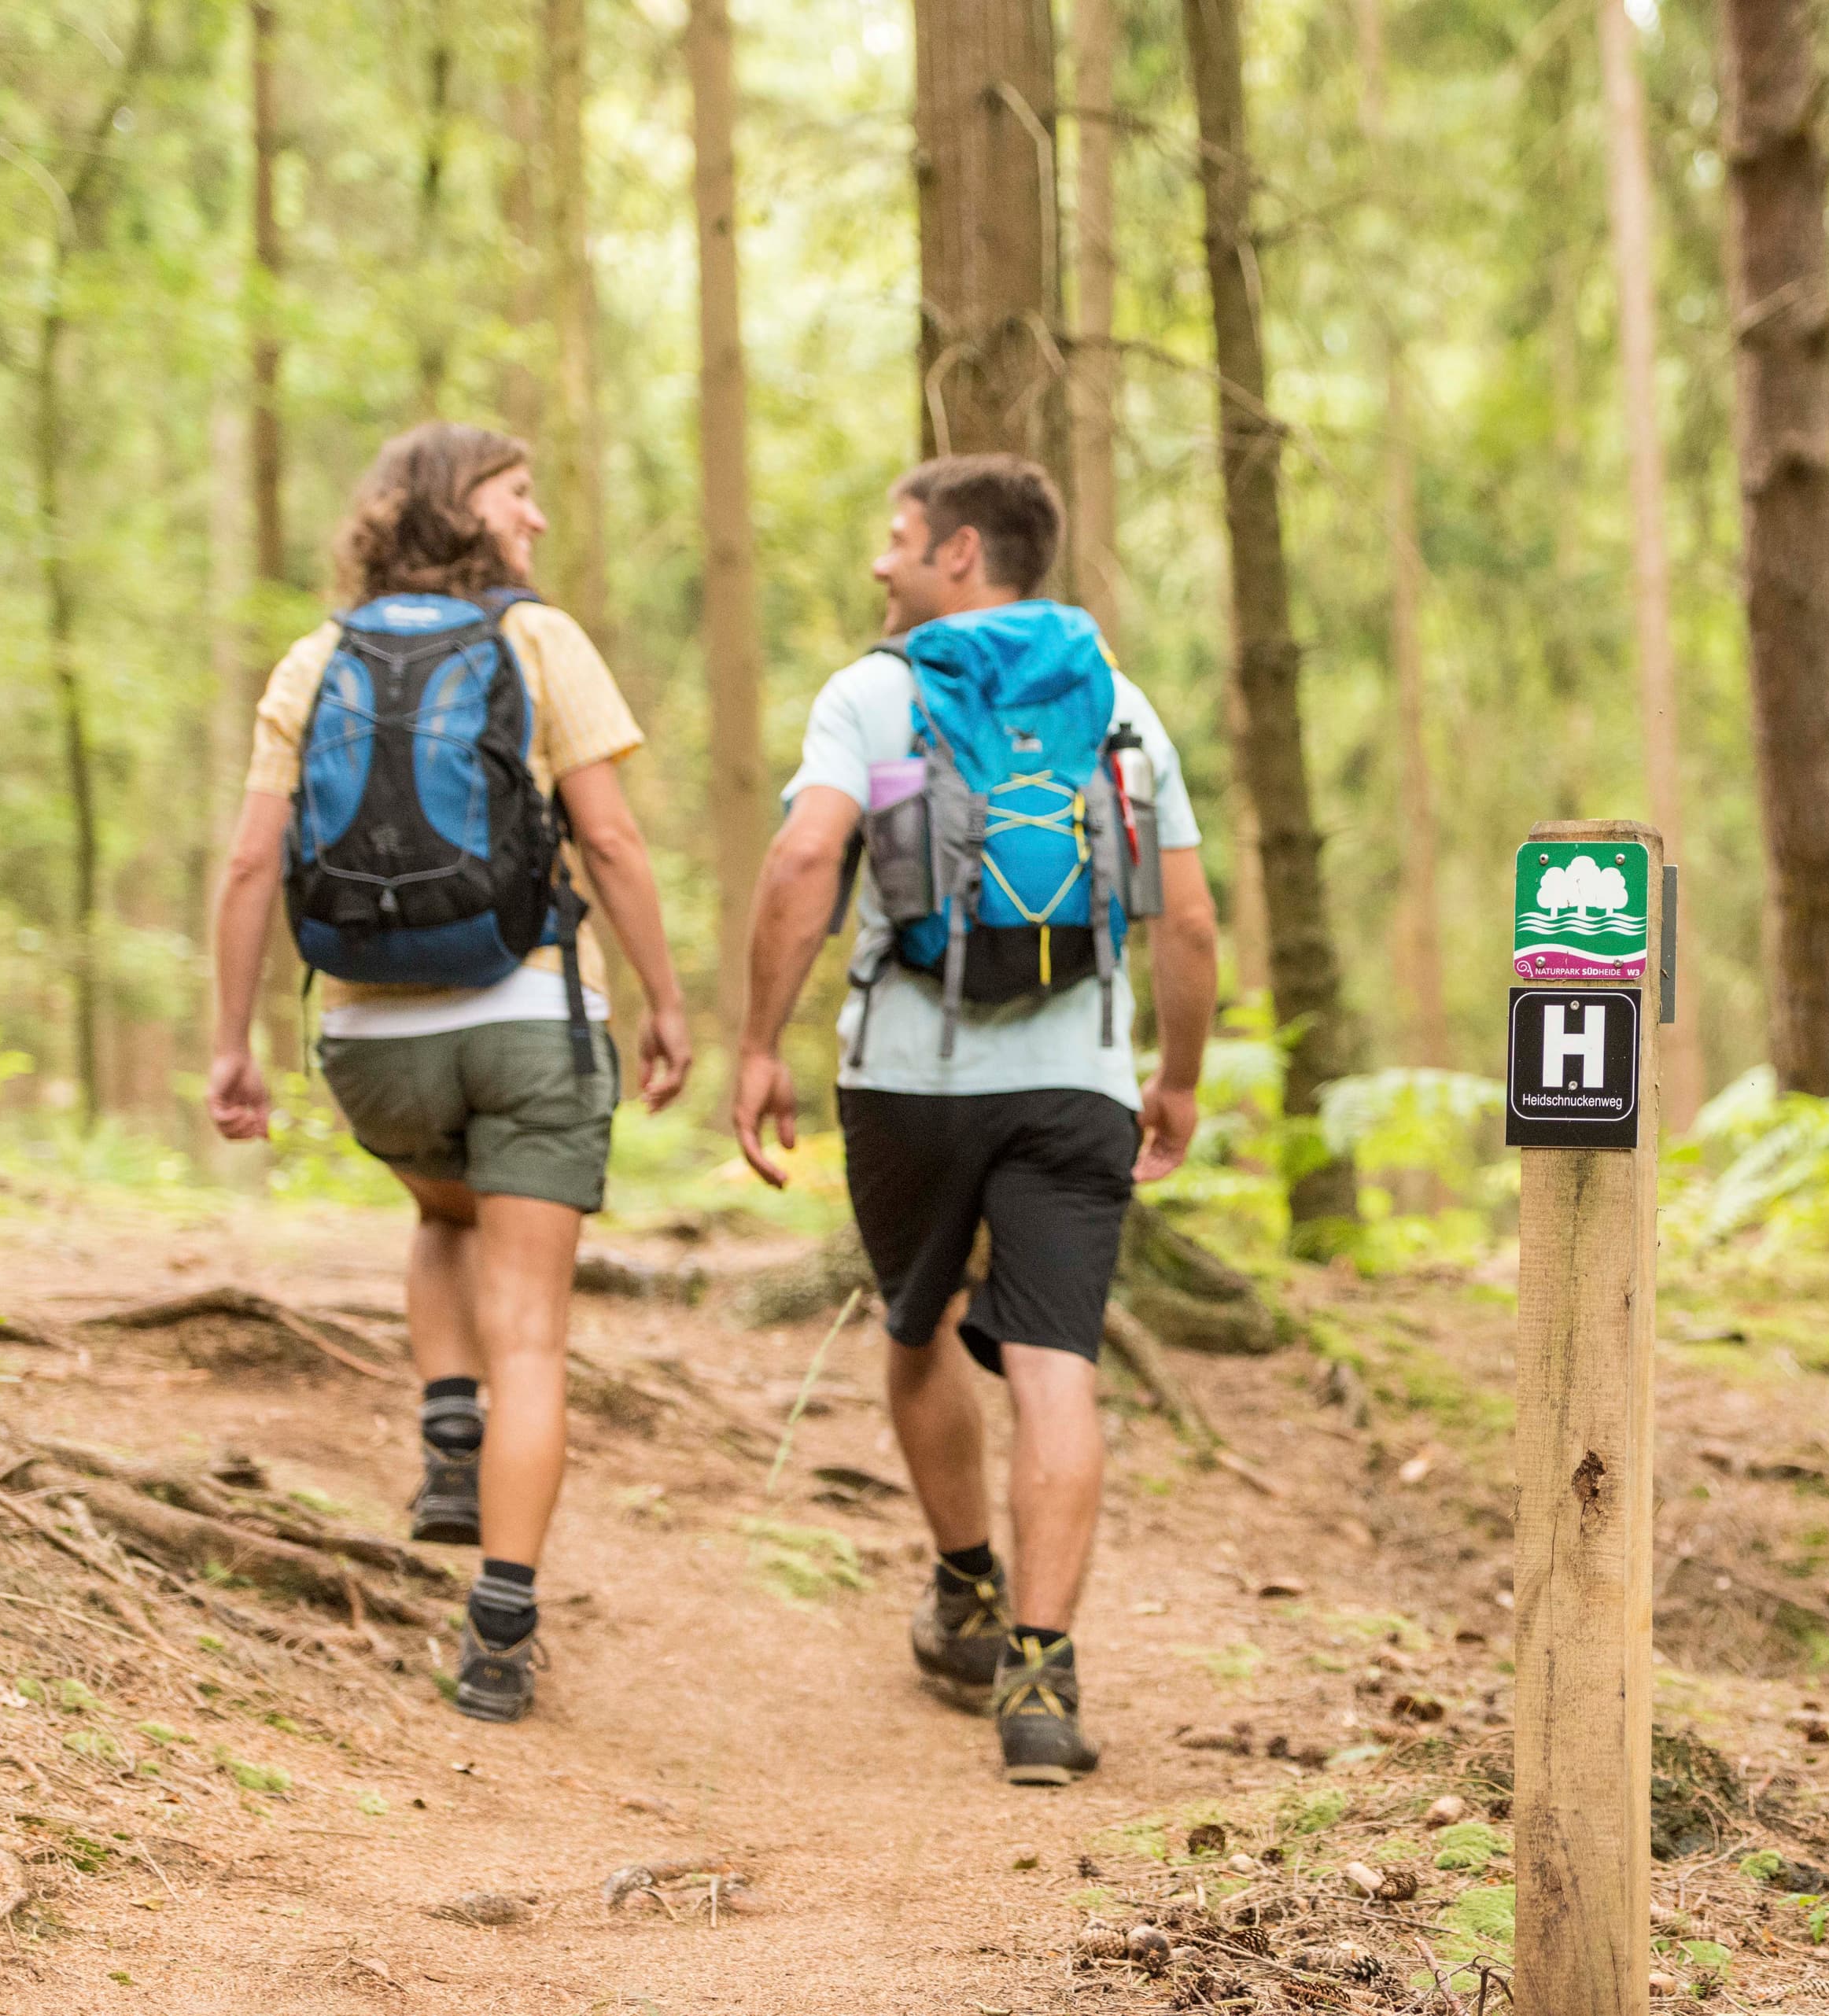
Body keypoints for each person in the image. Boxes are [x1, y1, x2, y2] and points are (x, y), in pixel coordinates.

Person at [731, 453, 1217, 1786]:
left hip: (906, 1080)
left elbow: (799, 861)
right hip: (1076, 1086)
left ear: (960, 555)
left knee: (919, 1319)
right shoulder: (1119, 706)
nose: (880, 564)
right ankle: (1043, 1689)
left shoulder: (872, 695)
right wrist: (1173, 1078)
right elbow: (1186, 918)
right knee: (1059, 1361)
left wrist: (757, 1043)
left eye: (897, 539)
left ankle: (965, 1596)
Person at [207, 421, 693, 1724]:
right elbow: (616, 841)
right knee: (533, 1329)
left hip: (371, 1041)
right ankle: (499, 1632)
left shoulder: (318, 657)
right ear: (461, 512)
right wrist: (665, 999)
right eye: (518, 497)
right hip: (528, 1011)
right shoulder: (540, 644)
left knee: (439, 1209)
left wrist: (230, 1042)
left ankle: (445, 1431)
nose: (536, 521)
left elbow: (253, 864)